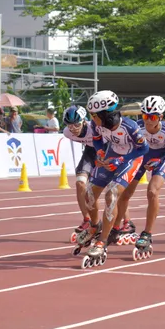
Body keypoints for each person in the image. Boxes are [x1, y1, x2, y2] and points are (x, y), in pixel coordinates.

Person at [74, 90, 149, 268]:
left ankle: (102, 241)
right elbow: (98, 139)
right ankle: (94, 226)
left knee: (112, 195)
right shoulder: (97, 125)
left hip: (130, 159)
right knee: (90, 192)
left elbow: (143, 149)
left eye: (94, 116)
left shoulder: (130, 127)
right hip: (111, 156)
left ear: (106, 114)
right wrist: (100, 152)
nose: (92, 119)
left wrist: (121, 160)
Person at [113, 96, 165, 261]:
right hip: (141, 159)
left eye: (152, 117)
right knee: (124, 194)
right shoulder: (138, 127)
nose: (148, 121)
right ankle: (117, 227)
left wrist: (161, 158)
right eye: (145, 116)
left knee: (152, 192)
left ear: (160, 117)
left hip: (160, 160)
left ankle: (147, 233)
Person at [61, 105, 101, 242]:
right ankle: (87, 219)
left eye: (77, 124)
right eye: (70, 125)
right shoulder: (67, 133)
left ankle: (125, 222)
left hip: (107, 153)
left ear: (84, 121)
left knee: (113, 189)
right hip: (90, 153)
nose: (73, 129)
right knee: (80, 183)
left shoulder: (95, 128)